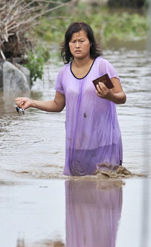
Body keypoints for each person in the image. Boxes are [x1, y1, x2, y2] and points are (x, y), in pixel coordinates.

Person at [15, 22, 126, 176]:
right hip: (77, 144)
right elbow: (57, 105)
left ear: (91, 43)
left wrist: (110, 95)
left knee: (105, 188)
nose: (77, 45)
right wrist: (32, 102)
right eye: (73, 41)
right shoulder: (64, 73)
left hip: (104, 143)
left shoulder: (102, 67)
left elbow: (122, 97)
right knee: (77, 190)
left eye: (82, 41)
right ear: (68, 45)